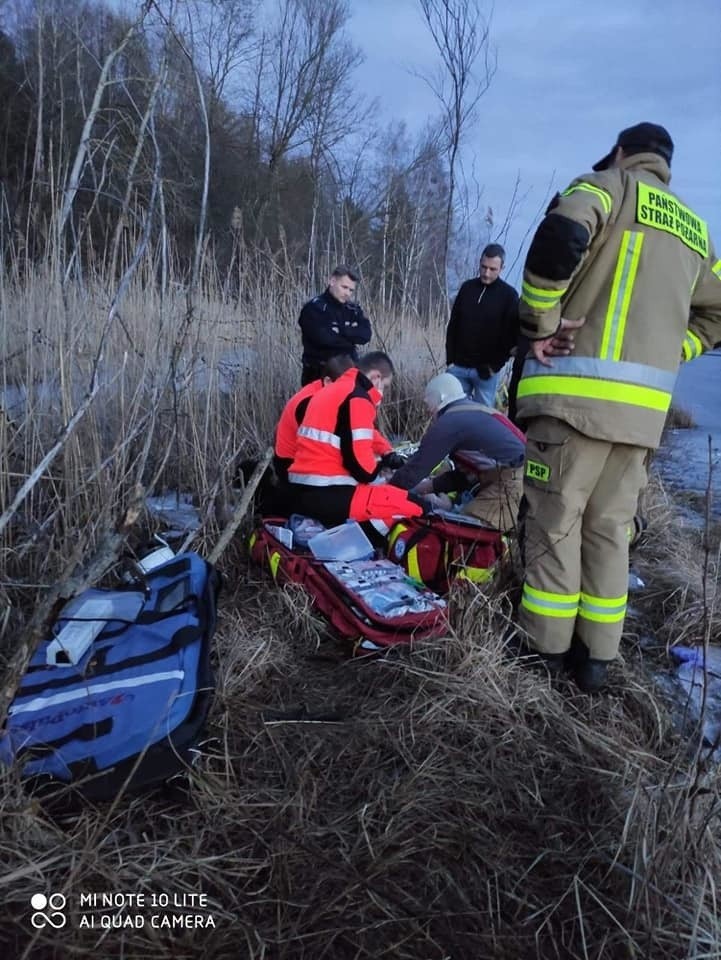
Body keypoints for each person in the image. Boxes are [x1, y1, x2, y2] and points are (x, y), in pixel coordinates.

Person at [514, 121, 721, 693]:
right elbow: (717, 314)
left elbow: (560, 236)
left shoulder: (608, 186)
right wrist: (675, 351)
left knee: (556, 524)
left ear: (624, 152)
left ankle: (544, 653)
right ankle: (597, 661)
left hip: (574, 402)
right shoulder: (696, 233)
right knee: (610, 530)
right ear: (668, 165)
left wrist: (541, 324)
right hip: (640, 419)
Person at [288, 352, 424, 527]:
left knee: (392, 497)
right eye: (384, 386)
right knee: (415, 507)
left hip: (306, 486)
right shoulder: (357, 397)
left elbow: (365, 433)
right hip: (329, 490)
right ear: (376, 377)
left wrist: (387, 452)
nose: (382, 393)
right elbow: (363, 470)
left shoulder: (336, 389)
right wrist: (383, 466)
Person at [390, 373, 526, 532]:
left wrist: (386, 490)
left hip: (512, 483)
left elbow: (415, 469)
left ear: (438, 398)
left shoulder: (449, 423)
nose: (428, 411)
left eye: (428, 404)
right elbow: (465, 478)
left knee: (465, 533)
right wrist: (424, 488)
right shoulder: (473, 412)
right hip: (521, 475)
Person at [445, 243, 519, 407]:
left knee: (482, 418)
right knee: (453, 413)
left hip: (486, 373)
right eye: (483, 267)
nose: (486, 273)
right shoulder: (467, 288)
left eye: (492, 269)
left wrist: (494, 366)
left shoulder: (509, 296)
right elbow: (453, 325)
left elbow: (511, 337)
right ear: (479, 263)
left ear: (502, 268)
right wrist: (450, 360)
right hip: (458, 367)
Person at [298, 265, 372, 385]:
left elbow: (365, 335)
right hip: (317, 375)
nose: (347, 293)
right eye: (344, 287)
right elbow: (324, 339)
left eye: (351, 290)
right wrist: (351, 336)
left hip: (348, 374)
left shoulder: (353, 310)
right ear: (332, 281)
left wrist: (341, 330)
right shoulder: (314, 308)